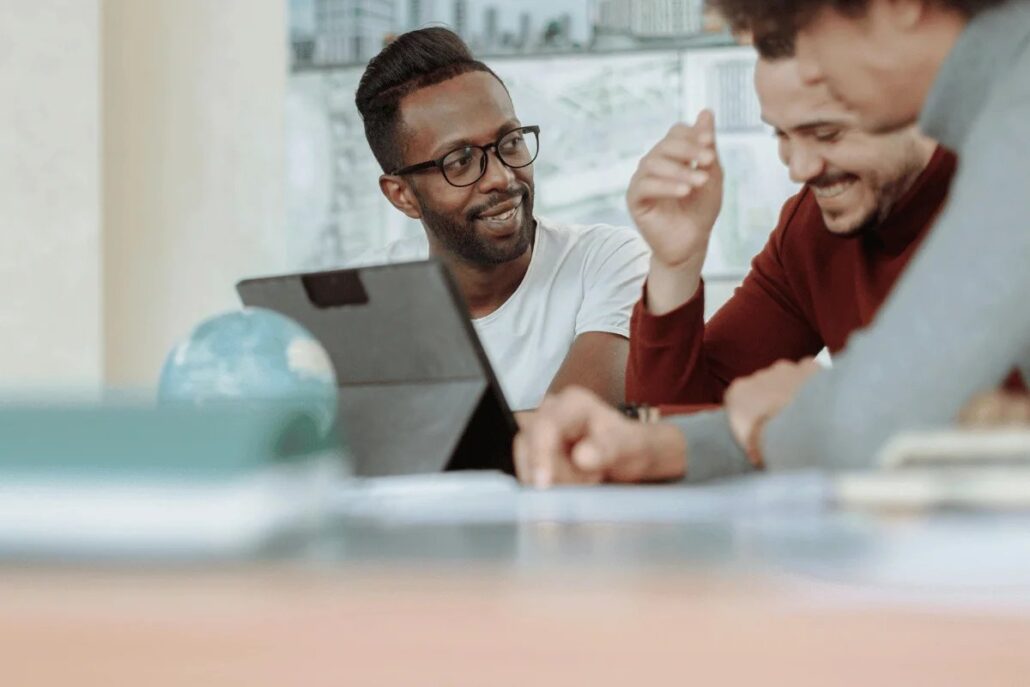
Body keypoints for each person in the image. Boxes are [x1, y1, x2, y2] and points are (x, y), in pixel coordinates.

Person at [513, 0, 1030, 486]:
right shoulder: (816, 229)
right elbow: (854, 415)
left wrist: (804, 412)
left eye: (811, 35)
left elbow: (874, 417)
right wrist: (653, 446)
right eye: (782, 136)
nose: (810, 68)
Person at [627, 57, 954, 407]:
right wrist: (675, 265)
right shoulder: (811, 231)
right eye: (781, 134)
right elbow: (675, 429)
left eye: (827, 134)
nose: (799, 169)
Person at [354, 28, 649, 412]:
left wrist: (411, 438)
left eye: (510, 142)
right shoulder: (367, 294)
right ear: (403, 195)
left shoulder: (607, 261)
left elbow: (570, 431)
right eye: (459, 161)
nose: (502, 177)